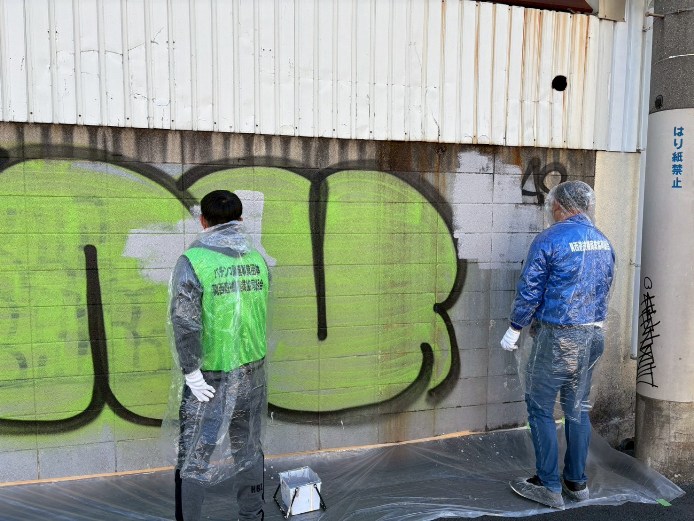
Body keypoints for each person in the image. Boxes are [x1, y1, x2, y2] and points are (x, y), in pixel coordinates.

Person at [500, 181, 615, 510]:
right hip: (593, 335)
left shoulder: (550, 239)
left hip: (559, 336)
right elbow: (605, 286)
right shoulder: (603, 240)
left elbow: (530, 288)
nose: (551, 210)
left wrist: (515, 327)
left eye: (552, 205)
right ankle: (577, 483)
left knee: (539, 407)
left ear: (560, 206)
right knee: (577, 407)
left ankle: (548, 484)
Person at [169, 190, 270, 521]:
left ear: (203, 221)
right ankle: (252, 516)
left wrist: (191, 372)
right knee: (249, 448)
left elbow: (185, 323)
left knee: (195, 456)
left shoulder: (193, 261)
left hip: (209, 377)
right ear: (240, 220)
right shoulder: (257, 260)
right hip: (253, 371)